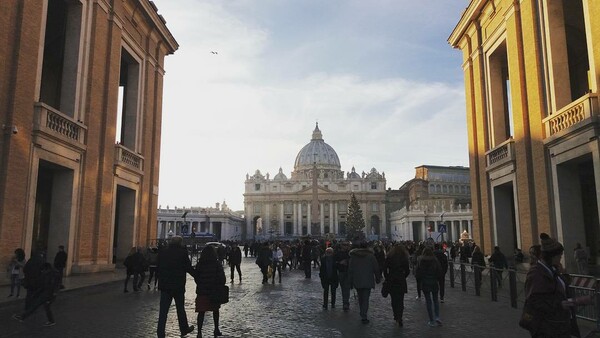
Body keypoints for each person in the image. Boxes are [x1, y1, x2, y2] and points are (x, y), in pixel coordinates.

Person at [523, 233, 592, 337]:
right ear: (551, 256)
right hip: (548, 327)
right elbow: (535, 301)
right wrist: (567, 303)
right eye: (559, 255)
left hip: (561, 324)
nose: (560, 258)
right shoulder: (536, 273)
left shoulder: (552, 269)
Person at [156, 236, 195, 338]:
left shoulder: (163, 252)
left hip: (165, 286)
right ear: (180, 243)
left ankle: (160, 332)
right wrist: (198, 276)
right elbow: (188, 268)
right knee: (180, 309)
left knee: (163, 311)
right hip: (178, 285)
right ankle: (184, 328)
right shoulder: (182, 253)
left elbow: (158, 267)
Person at [12, 262, 60, 327]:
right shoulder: (48, 274)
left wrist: (53, 295)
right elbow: (43, 284)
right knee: (45, 307)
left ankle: (22, 317)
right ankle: (51, 321)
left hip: (48, 294)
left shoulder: (53, 274)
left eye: (43, 270)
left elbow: (54, 286)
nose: (42, 271)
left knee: (35, 305)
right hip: (46, 293)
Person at [194, 245, 226, 338]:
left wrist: (201, 284)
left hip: (202, 291)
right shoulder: (217, 264)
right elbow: (222, 278)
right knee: (215, 311)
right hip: (214, 291)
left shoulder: (200, 264)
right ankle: (216, 329)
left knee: (201, 312)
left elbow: (196, 277)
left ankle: (199, 332)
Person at [348, 242, 381, 324]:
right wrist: (378, 278)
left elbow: (350, 269)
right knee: (366, 298)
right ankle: (364, 315)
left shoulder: (353, 256)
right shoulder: (371, 256)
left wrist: (350, 281)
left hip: (357, 279)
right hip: (368, 279)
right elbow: (376, 268)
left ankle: (362, 312)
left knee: (360, 297)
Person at [383, 244, 410, 327]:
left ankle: (396, 315)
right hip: (401, 280)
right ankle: (400, 316)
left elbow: (385, 268)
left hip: (391, 279)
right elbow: (407, 270)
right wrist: (403, 276)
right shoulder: (404, 258)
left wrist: (387, 277)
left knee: (394, 299)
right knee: (400, 300)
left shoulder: (389, 257)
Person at [416, 246, 442, 327]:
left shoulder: (420, 260)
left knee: (428, 301)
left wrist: (420, 280)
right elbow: (439, 271)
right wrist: (437, 279)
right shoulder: (435, 260)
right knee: (435, 300)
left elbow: (417, 272)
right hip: (434, 282)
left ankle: (431, 320)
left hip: (425, 282)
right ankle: (437, 316)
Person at [335, 241, 352, 312]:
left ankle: (346, 303)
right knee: (343, 288)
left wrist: (348, 261)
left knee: (346, 288)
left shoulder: (350, 253)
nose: (346, 246)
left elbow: (353, 261)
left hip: (348, 272)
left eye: (347, 245)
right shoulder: (337, 253)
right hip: (341, 272)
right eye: (344, 245)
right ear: (341, 246)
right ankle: (345, 302)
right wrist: (340, 263)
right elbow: (334, 262)